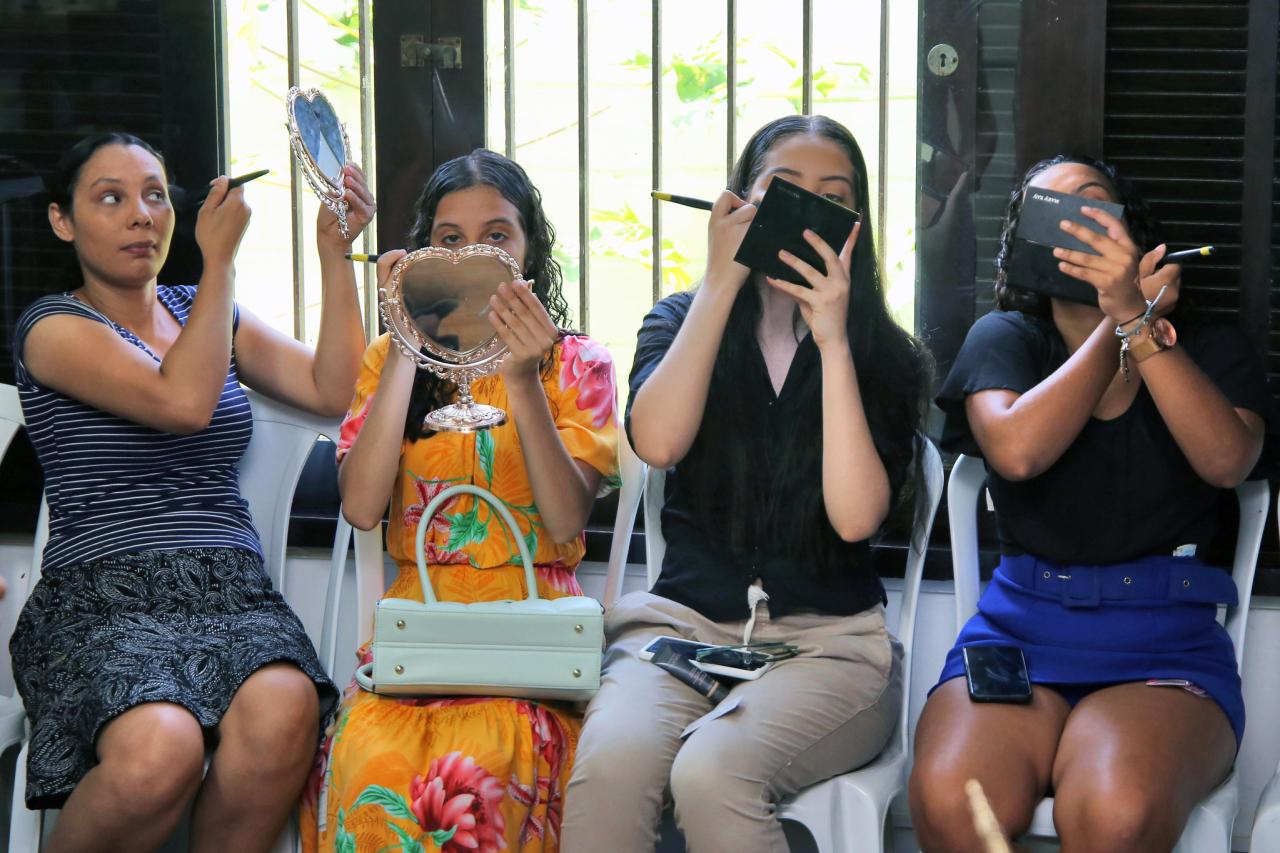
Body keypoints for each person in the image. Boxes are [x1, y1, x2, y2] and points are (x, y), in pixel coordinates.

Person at [559, 115, 931, 853]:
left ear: (855, 227)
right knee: (611, 765)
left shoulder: (886, 355)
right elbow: (658, 441)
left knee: (713, 771)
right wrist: (722, 280)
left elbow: (856, 519)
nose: (807, 209)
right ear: (738, 200)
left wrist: (831, 339)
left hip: (831, 648)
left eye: (834, 197)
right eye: (782, 189)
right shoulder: (679, 320)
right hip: (682, 630)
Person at [10, 131, 373, 851]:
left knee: (286, 710)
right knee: (161, 748)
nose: (141, 215)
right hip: (102, 598)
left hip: (229, 588)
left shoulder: (201, 310)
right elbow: (182, 403)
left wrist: (335, 253)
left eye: (155, 195)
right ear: (62, 221)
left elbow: (335, 388)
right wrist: (221, 264)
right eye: (110, 198)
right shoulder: (51, 327)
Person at [908, 155, 1270, 852]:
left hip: (1165, 642)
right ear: (1022, 247)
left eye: (1093, 205)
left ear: (1135, 236)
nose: (1073, 224)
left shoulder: (1211, 347)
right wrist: (1122, 320)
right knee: (954, 804)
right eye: (1049, 212)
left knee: (1114, 815)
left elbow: (1227, 461)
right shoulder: (1006, 338)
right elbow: (1017, 452)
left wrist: (1137, 319)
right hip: (1017, 636)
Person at [303, 149, 619, 853]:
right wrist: (408, 340)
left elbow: (566, 518)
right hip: (418, 636)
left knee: (482, 766)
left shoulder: (576, 363)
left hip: (534, 642)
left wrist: (522, 379)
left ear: (529, 252)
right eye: (450, 239)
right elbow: (360, 507)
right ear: (425, 256)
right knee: (367, 761)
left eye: (496, 235)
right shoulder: (389, 360)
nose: (472, 255)